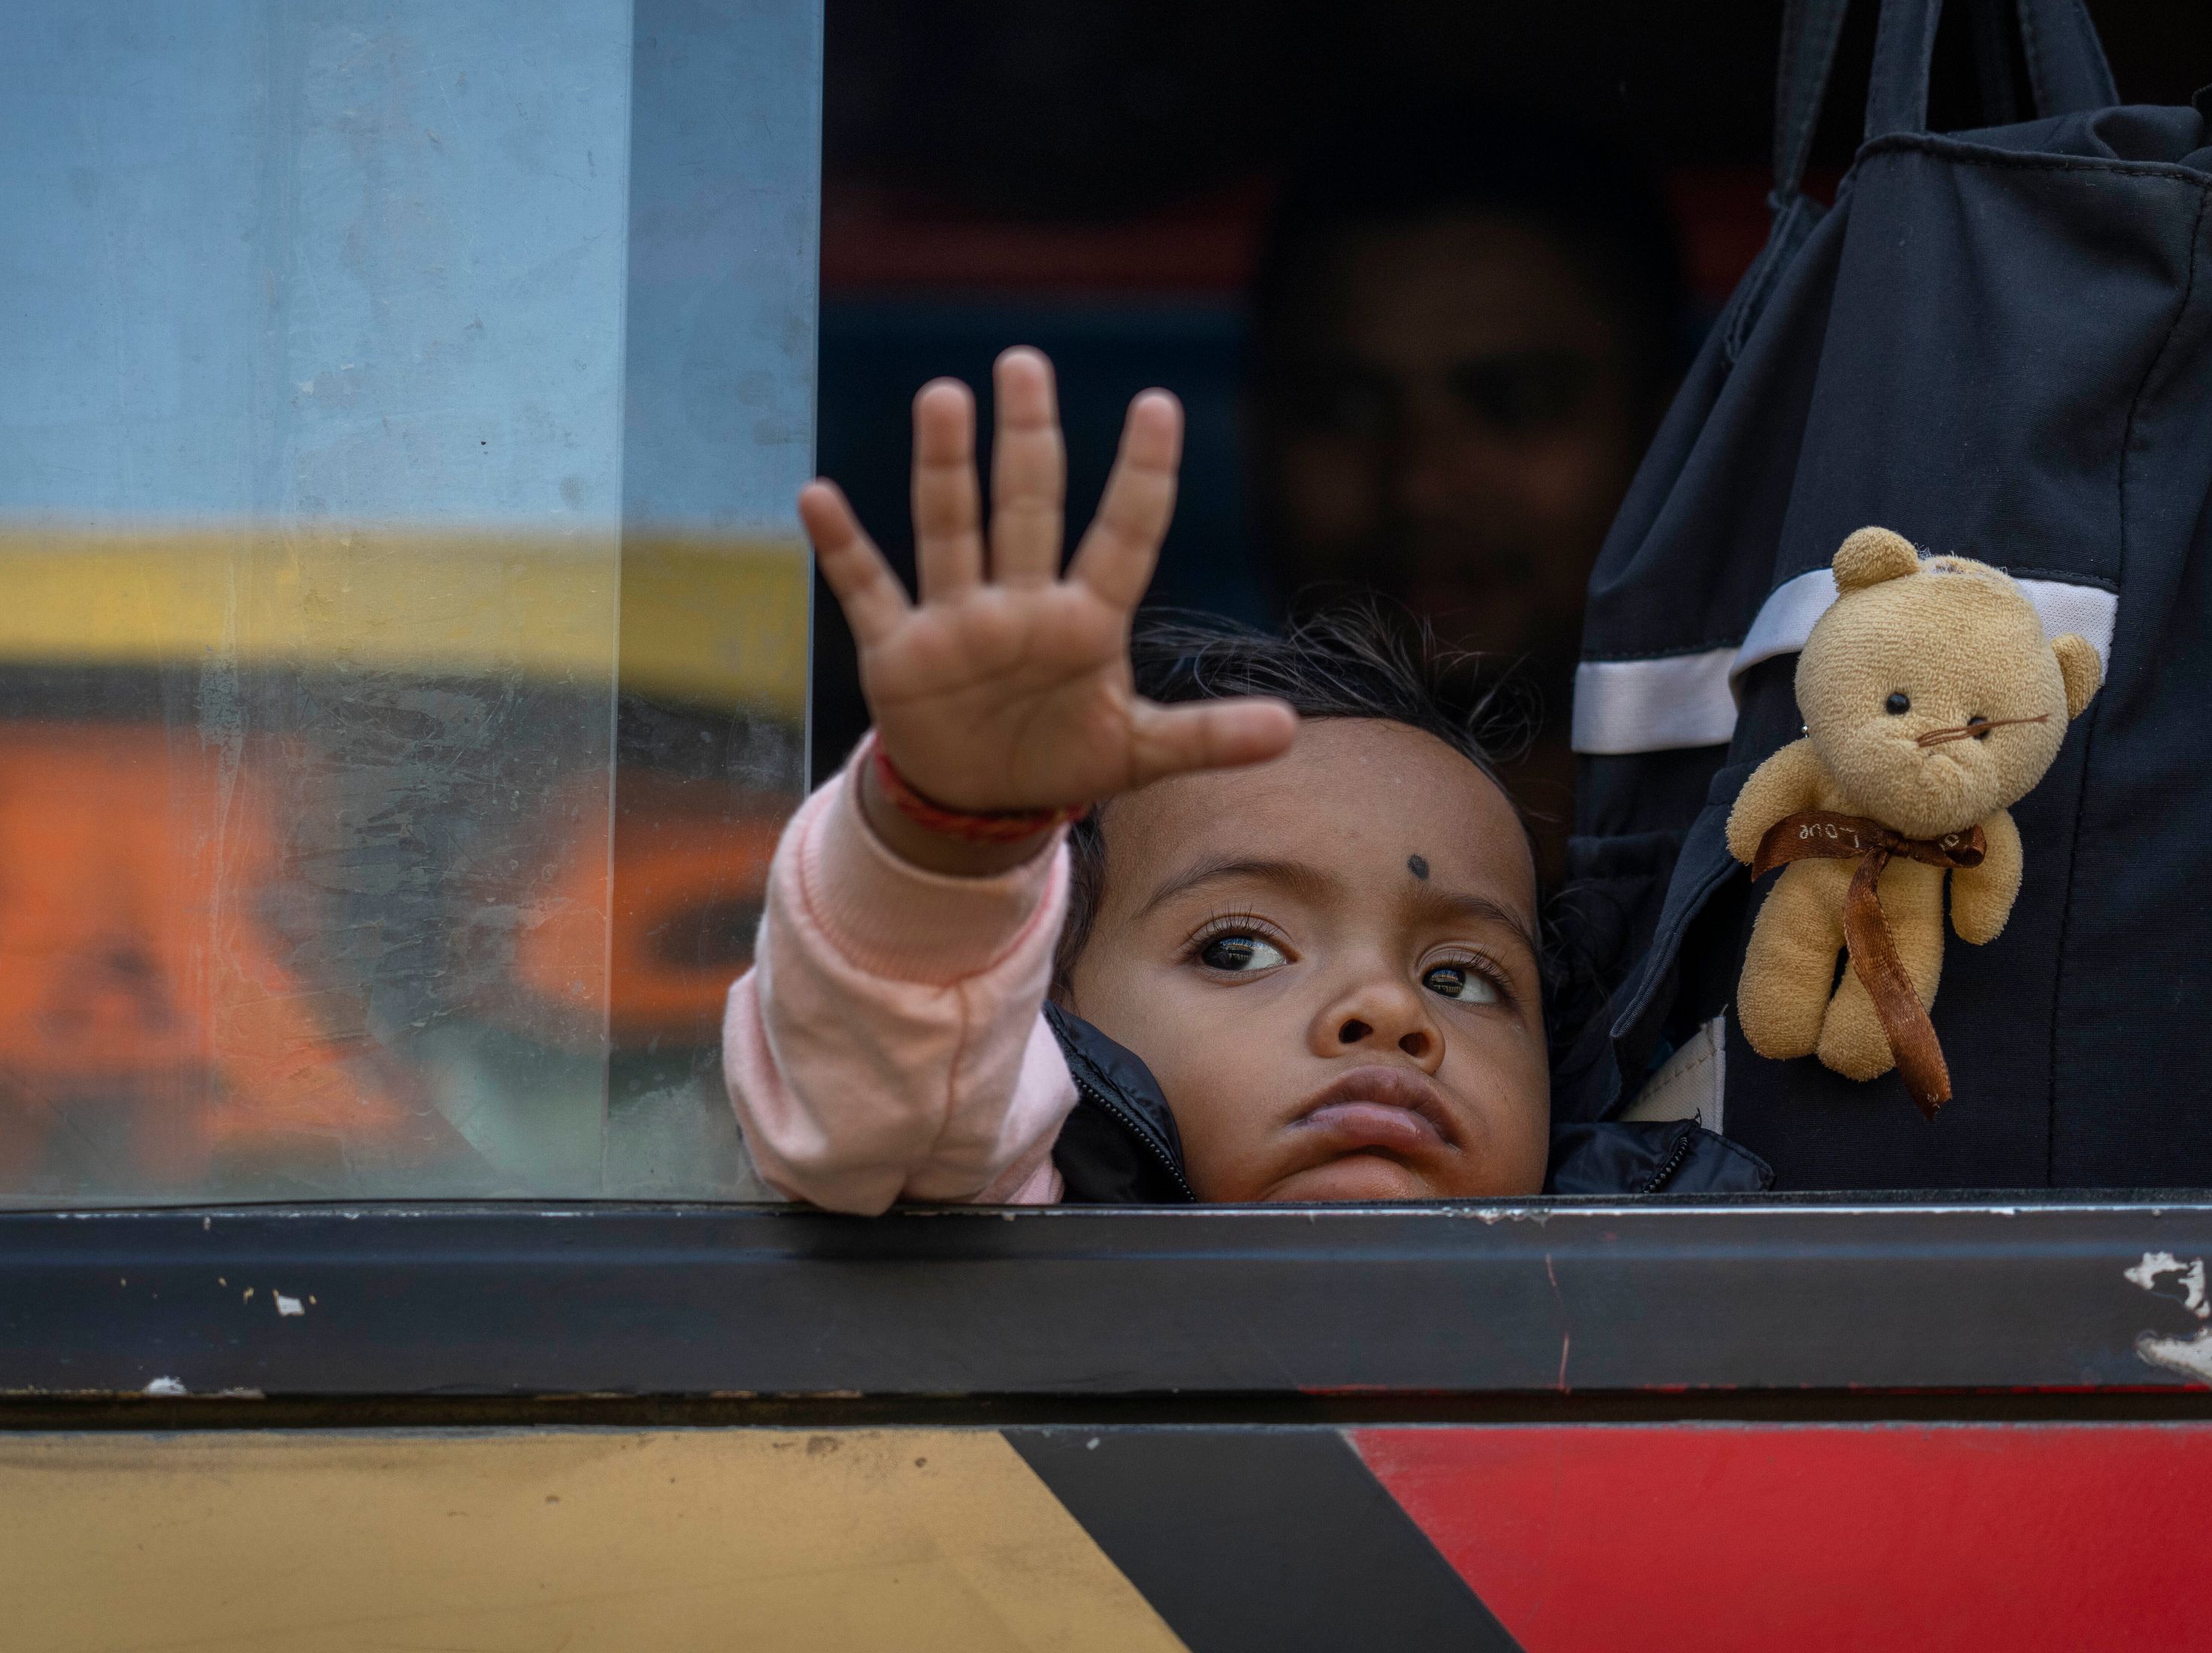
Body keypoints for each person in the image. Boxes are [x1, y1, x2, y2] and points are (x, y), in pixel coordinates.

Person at [725, 348, 1764, 1206]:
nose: (1387, 1010)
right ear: (1046, 1027)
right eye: (1238, 950)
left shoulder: (1657, 1287)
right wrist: (940, 839)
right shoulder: (999, 1192)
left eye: (1462, 978)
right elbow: (888, 1076)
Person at [1245, 104, 1687, 877]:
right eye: (1343, 408)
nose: (1421, 485)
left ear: (1671, 433)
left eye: (1512, 402)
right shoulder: (1109, 877)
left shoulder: (1803, 870)